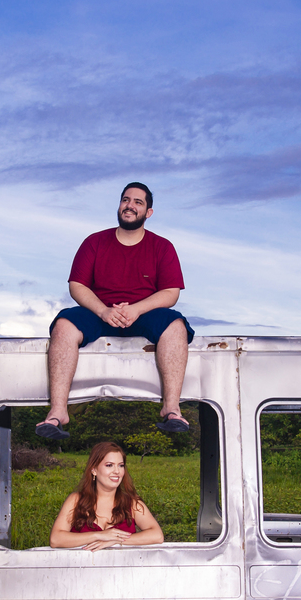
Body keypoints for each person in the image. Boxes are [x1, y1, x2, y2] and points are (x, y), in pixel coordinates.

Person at [35, 182, 195, 440]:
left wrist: (136, 309)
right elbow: (77, 286)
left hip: (143, 313)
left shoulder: (162, 247)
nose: (130, 206)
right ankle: (58, 413)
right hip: (100, 312)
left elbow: (171, 293)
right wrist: (102, 311)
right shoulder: (94, 242)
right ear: (120, 204)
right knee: (63, 324)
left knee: (175, 325)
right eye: (125, 200)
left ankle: (171, 408)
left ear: (148, 212)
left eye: (138, 202)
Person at [49, 441, 164, 550]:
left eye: (121, 465)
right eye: (109, 465)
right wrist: (99, 535)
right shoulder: (76, 500)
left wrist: (117, 540)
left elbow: (157, 535)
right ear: (94, 469)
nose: (117, 471)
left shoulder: (132, 503)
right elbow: (56, 539)